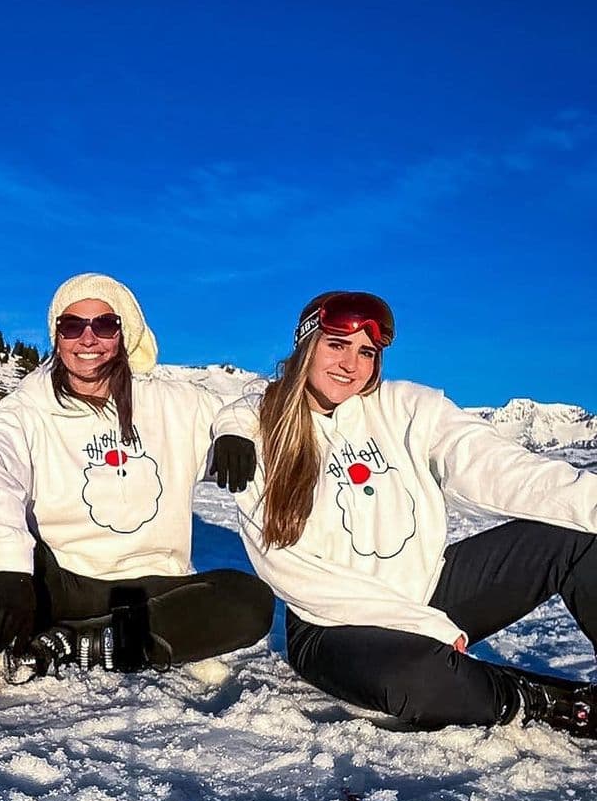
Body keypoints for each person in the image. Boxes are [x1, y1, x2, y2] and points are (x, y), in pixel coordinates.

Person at [0, 273, 275, 723]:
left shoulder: (175, 401)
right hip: (54, 582)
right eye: (72, 326)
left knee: (250, 600)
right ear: (57, 336)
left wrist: (236, 427)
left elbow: (264, 397)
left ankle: (78, 644)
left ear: (125, 332)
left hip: (145, 588)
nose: (88, 338)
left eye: (104, 324)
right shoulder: (29, 406)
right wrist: (13, 564)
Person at [209, 290, 597, 735]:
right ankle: (542, 699)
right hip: (333, 624)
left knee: (577, 536)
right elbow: (289, 569)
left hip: (427, 587)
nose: (350, 365)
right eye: (337, 344)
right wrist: (419, 624)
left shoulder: (406, 408)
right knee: (416, 678)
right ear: (306, 345)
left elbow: (498, 466)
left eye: (367, 352)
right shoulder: (257, 436)